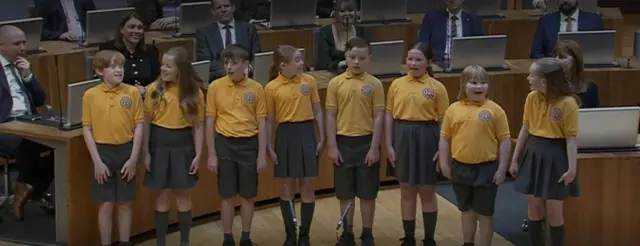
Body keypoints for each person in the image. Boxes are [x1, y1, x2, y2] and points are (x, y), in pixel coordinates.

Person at [438, 65, 511, 246]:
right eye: (473, 83)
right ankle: (468, 242)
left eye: (483, 83)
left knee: (484, 213)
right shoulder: (453, 109)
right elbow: (445, 138)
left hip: (486, 169)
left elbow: (505, 141)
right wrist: (444, 163)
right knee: (466, 210)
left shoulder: (495, 110)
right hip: (460, 167)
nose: (479, 87)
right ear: (463, 85)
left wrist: (502, 168)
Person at [385, 42, 449, 246]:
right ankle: (409, 237)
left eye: (418, 59)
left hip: (427, 138)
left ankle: (429, 238)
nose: (413, 63)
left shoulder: (436, 87)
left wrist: (442, 149)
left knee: (426, 190)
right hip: (402, 136)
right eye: (410, 59)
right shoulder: (397, 84)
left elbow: (444, 121)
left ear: (429, 63)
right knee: (406, 190)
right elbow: (388, 115)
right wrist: (388, 144)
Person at [510, 57, 580, 246]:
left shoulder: (568, 103)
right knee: (534, 206)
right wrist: (515, 159)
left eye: (531, 75)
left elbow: (571, 139)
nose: (528, 79)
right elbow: (525, 129)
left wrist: (572, 169)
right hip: (534, 151)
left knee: (554, 208)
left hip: (555, 155)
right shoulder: (531, 98)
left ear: (544, 81)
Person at [141, 46, 205, 246]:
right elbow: (146, 124)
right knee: (162, 196)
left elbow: (198, 127)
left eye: (169, 66)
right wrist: (145, 153)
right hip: (158, 145)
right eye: (162, 64)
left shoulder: (194, 92)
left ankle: (184, 242)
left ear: (181, 69)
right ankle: (161, 242)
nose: (163, 69)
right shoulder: (153, 89)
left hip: (183, 146)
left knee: (183, 197)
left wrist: (198, 154)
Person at [205, 44, 267, 246]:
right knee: (227, 195)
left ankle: (246, 238)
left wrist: (261, 155)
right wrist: (212, 154)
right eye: (226, 63)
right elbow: (210, 121)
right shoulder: (215, 87)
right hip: (225, 145)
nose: (229, 67)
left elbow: (262, 122)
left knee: (248, 195)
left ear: (245, 64)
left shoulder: (256, 88)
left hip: (249, 145)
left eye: (234, 63)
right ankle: (228, 238)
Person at [82, 49, 144, 246]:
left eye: (121, 66)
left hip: (126, 152)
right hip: (102, 153)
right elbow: (87, 129)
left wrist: (134, 159)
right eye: (112, 66)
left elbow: (139, 126)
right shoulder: (90, 95)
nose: (118, 70)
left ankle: (125, 242)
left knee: (125, 203)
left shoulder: (132, 92)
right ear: (100, 71)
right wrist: (97, 162)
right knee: (106, 203)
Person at [264, 45, 325, 246]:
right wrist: (269, 146)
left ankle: (304, 235)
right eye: (297, 60)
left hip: (306, 133)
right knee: (287, 185)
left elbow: (317, 111)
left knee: (307, 185)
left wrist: (322, 136)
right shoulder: (271, 87)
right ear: (283, 65)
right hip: (285, 135)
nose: (301, 63)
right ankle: (290, 235)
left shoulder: (309, 81)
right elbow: (269, 120)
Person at [326, 37, 384, 246]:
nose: (356, 62)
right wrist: (332, 146)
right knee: (345, 193)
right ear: (345, 57)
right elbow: (331, 115)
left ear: (369, 59)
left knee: (367, 194)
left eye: (361, 58)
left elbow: (378, 117)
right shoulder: (336, 83)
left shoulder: (374, 84)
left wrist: (374, 147)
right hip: (343, 143)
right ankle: (347, 233)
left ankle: (367, 233)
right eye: (352, 57)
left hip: (366, 142)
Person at [0, 25, 54, 221]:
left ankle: (27, 186)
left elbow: (40, 100)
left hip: (28, 121)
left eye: (24, 42)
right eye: (17, 44)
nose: (23, 47)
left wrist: (28, 76)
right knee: (30, 143)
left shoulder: (23, 65)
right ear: (1, 46)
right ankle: (30, 188)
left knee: (60, 146)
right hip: (4, 125)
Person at [195, 0, 261, 82]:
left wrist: (248, 68)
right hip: (218, 79)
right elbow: (205, 61)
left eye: (226, 6)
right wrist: (232, 70)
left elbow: (257, 57)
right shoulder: (204, 33)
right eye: (219, 7)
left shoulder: (249, 29)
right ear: (213, 11)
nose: (223, 10)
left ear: (233, 8)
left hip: (247, 78)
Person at [99, 13, 160, 96]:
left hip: (146, 98)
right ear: (121, 30)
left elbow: (158, 77)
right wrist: (131, 91)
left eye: (140, 28)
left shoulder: (150, 51)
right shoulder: (108, 49)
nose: (136, 31)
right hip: (117, 99)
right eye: (132, 27)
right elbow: (104, 80)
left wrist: (148, 89)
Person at [530, 0, 603, 58]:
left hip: (584, 69)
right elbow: (536, 53)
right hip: (553, 70)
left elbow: (601, 52)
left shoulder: (594, 20)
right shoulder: (546, 21)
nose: (565, 0)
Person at [417, 0, 483, 61]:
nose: (452, 0)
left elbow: (479, 45)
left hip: (465, 61)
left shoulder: (473, 20)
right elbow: (422, 43)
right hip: (437, 61)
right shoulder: (432, 18)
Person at [315, 0, 368, 71]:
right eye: (342, 11)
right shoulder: (325, 32)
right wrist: (341, 64)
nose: (347, 14)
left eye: (351, 10)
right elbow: (322, 64)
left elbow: (369, 57)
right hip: (332, 75)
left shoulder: (362, 31)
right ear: (336, 13)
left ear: (356, 13)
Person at [554, 40, 599, 108]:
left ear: (575, 60)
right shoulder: (549, 86)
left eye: (562, 57)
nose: (556, 60)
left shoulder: (590, 88)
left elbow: (594, 115)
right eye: (555, 56)